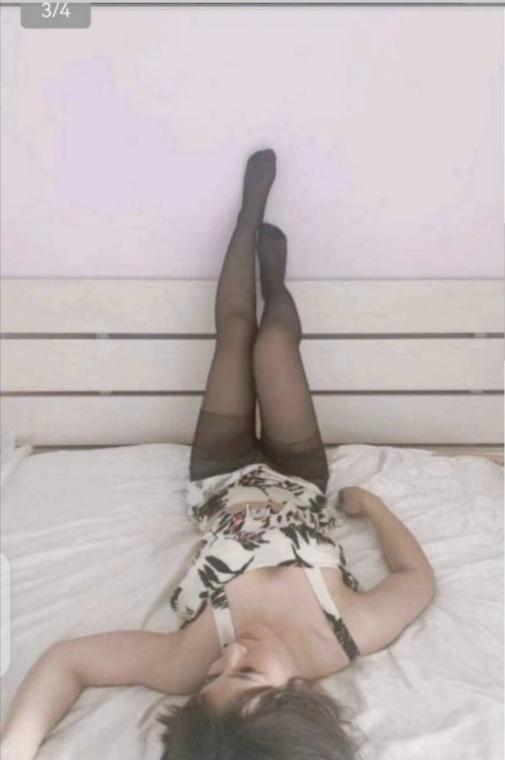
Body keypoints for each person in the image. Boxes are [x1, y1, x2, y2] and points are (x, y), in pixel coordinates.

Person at [0, 149, 436, 760]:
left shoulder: (187, 660)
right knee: (274, 344)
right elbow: (416, 581)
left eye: (213, 677)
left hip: (221, 474)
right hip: (297, 478)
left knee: (236, 336)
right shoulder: (347, 634)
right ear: (300, 697)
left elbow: (67, 662)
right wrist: (375, 507)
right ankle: (275, 284)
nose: (228, 654)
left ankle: (247, 218)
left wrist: (13, 750)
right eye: (247, 672)